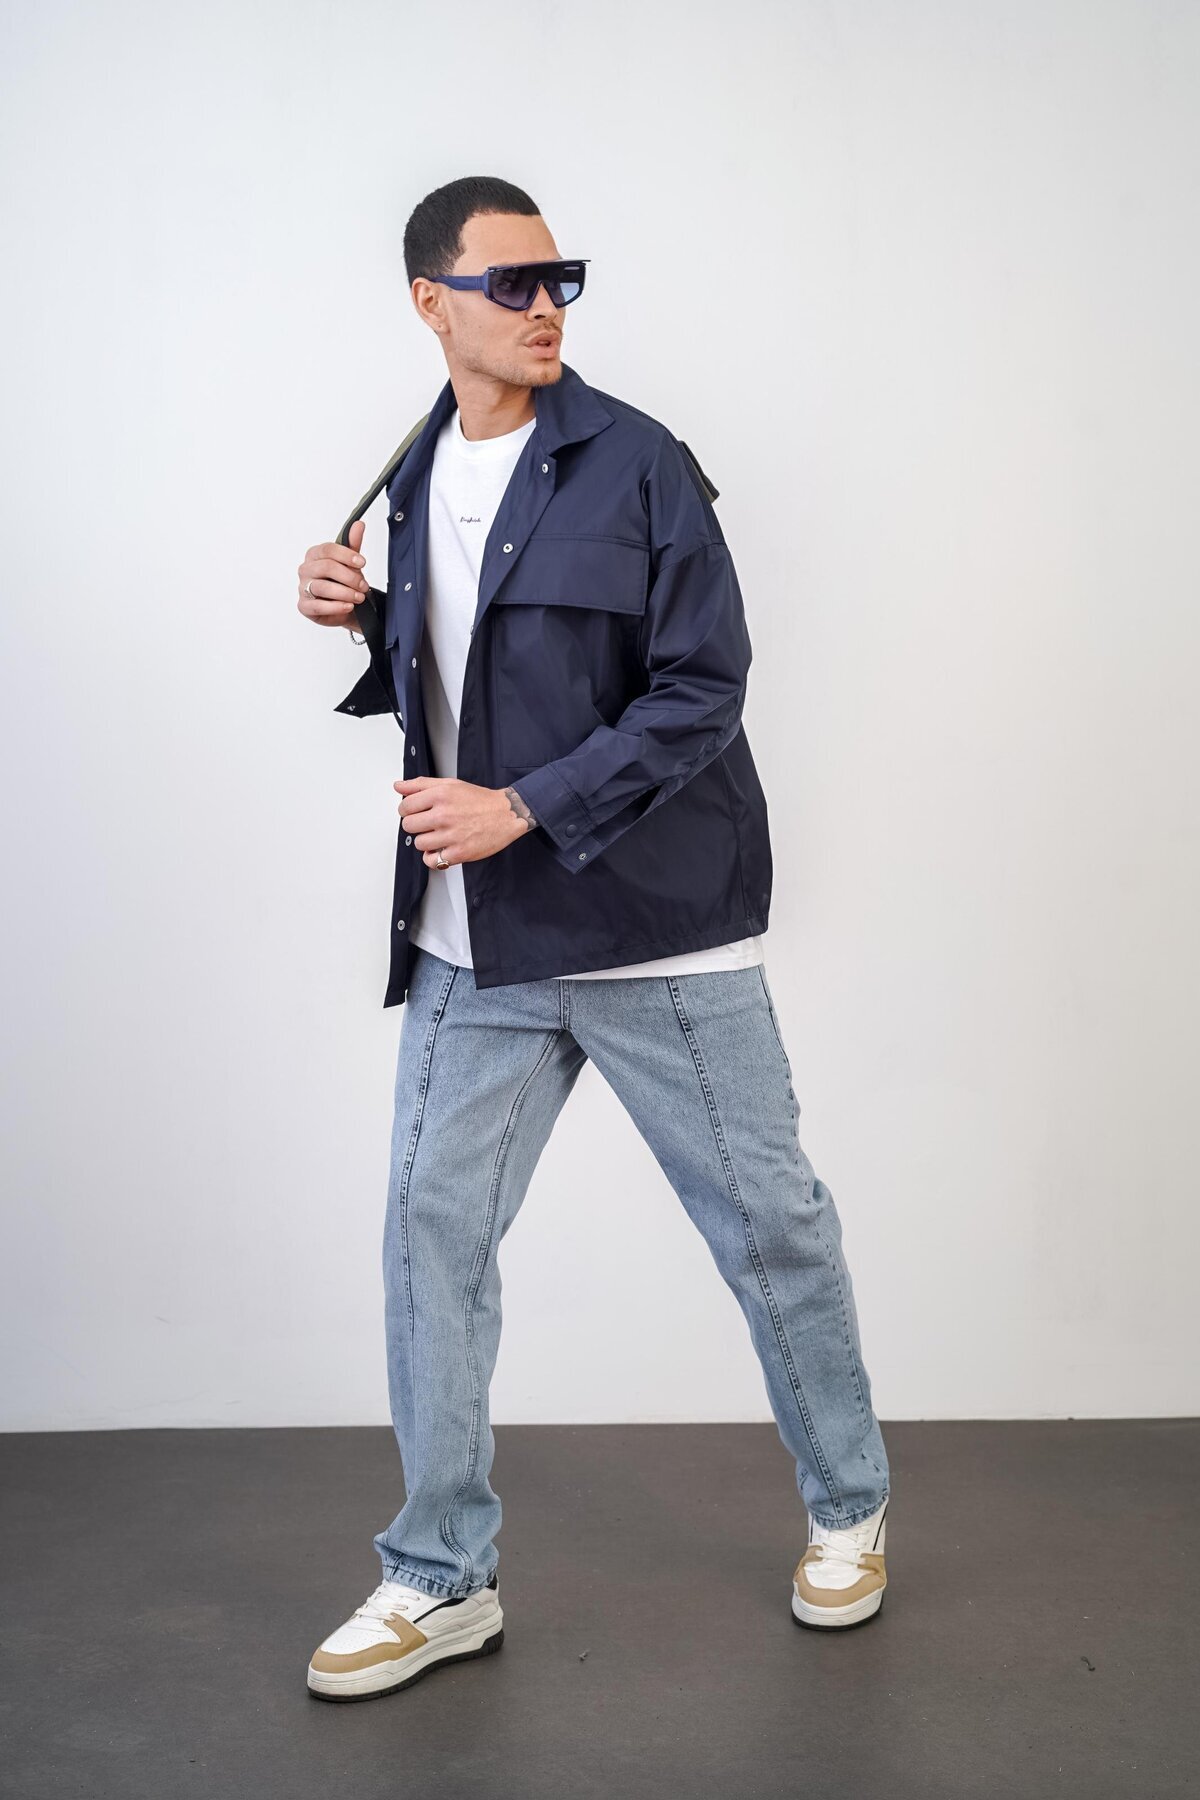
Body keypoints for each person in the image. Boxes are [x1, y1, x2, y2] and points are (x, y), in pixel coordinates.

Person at [296, 176, 891, 1703]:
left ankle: (850, 1508)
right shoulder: (410, 472)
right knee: (431, 1238)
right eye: (510, 282)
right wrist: (359, 620)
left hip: (653, 936)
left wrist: (521, 809)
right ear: (431, 303)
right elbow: (466, 666)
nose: (544, 303)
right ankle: (441, 1575)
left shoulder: (640, 464)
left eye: (560, 276)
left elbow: (702, 690)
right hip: (477, 945)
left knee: (770, 1230)